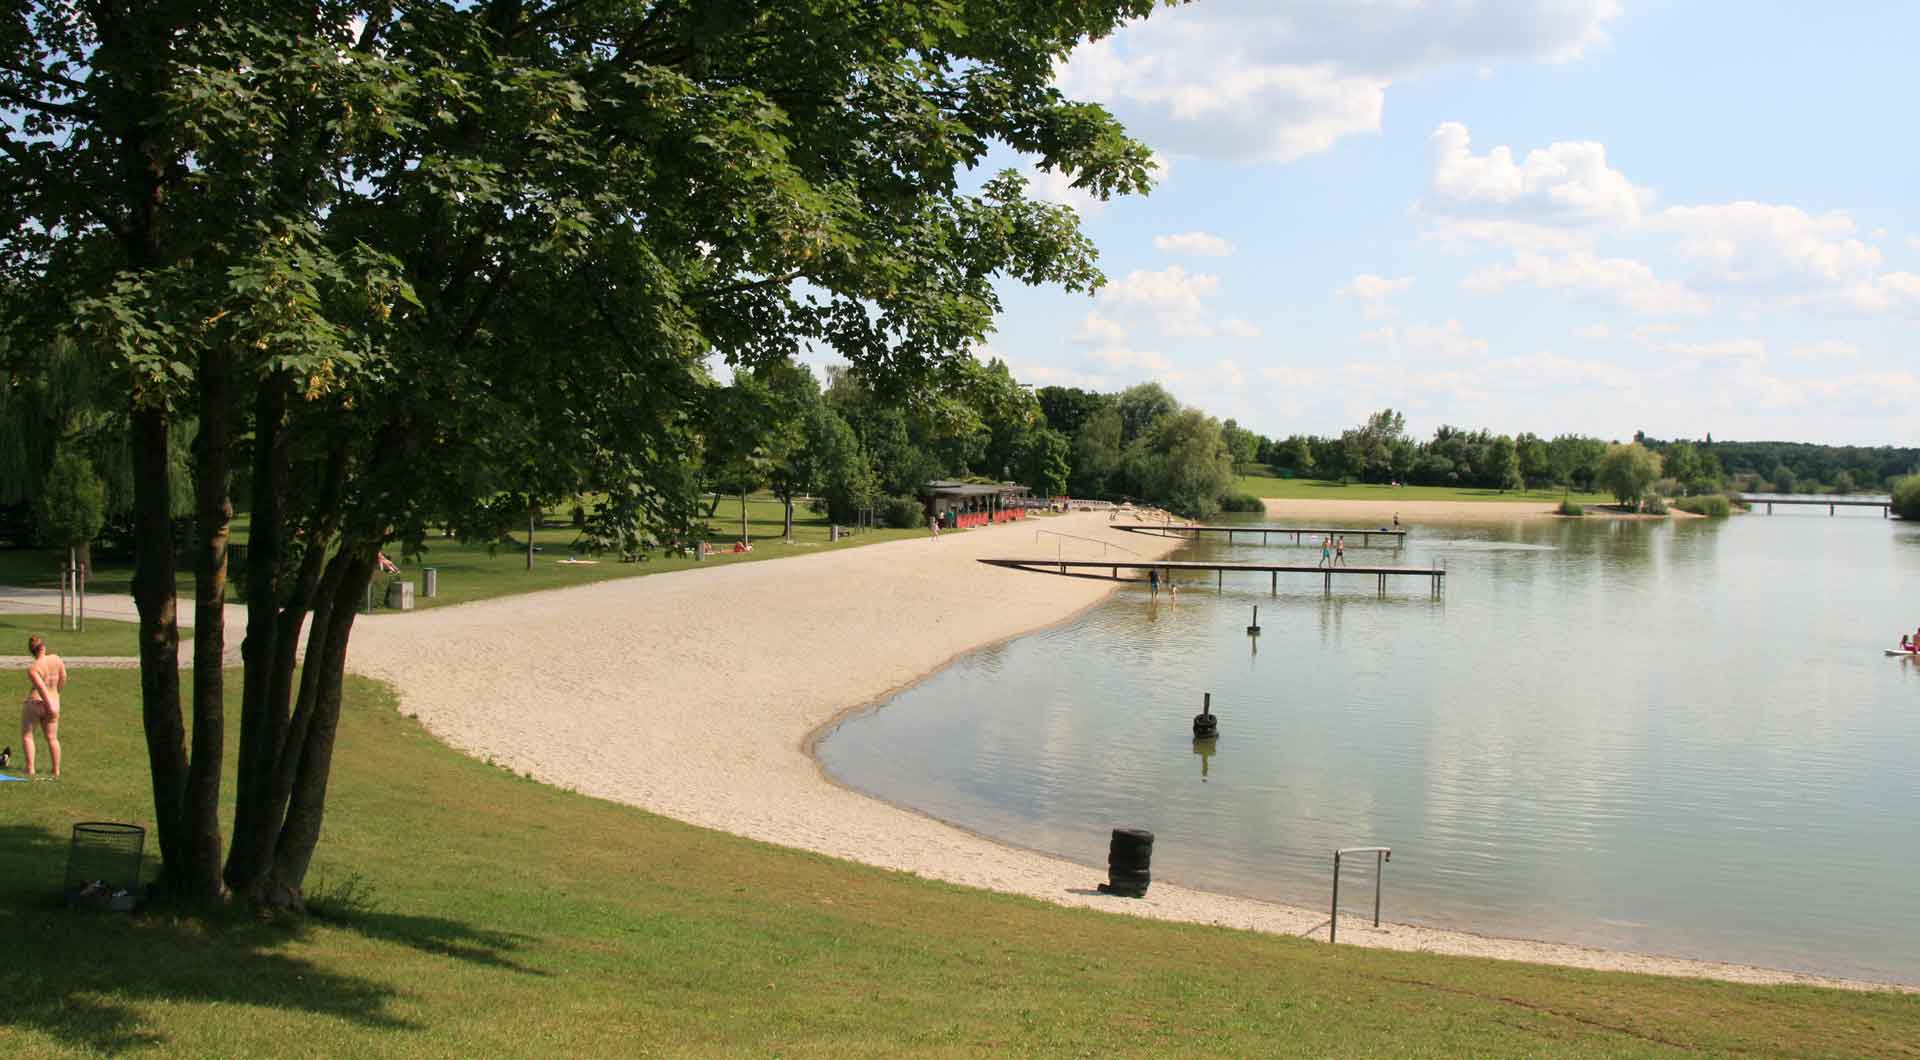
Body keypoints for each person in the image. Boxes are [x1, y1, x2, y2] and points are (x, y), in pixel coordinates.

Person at [21, 634, 66, 779]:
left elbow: (40, 687)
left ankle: (30, 770)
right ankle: (56, 771)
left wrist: (47, 704)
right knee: (52, 738)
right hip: (53, 702)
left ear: (32, 652)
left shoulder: (33, 668)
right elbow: (64, 677)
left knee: (28, 736)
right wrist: (56, 695)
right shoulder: (56, 659)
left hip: (36, 702)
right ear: (43, 647)